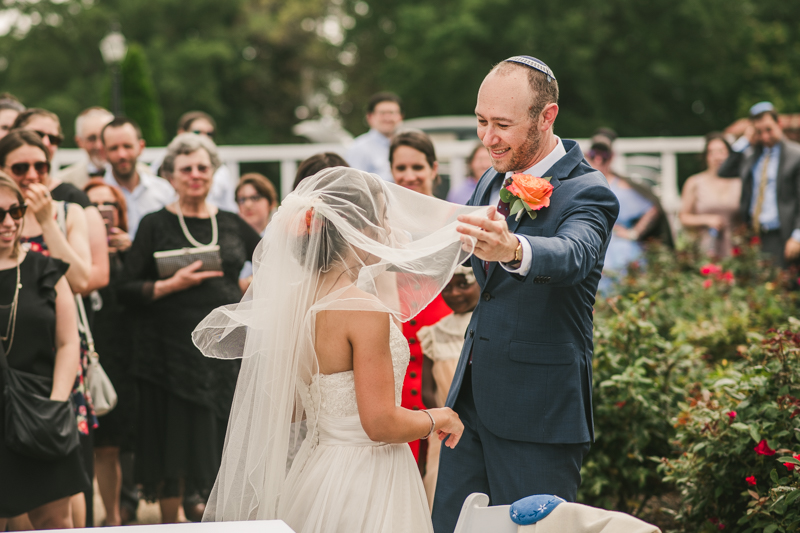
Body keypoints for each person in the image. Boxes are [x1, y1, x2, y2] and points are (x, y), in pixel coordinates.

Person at [194, 167, 482, 531]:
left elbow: (294, 409)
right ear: (356, 232)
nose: (390, 231)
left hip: (318, 470)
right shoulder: (364, 310)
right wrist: (440, 417)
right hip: (369, 477)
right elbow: (380, 423)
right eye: (382, 221)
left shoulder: (294, 304)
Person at [432, 56, 619, 533]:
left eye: (502, 125)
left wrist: (514, 248)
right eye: (480, 122)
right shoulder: (492, 178)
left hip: (539, 413)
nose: (487, 138)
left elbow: (573, 254)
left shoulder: (588, 191)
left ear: (546, 116)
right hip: (470, 407)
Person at [118, 133, 261, 524]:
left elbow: (273, 257)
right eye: (186, 169)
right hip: (167, 356)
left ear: (214, 172)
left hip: (220, 357)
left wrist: (250, 291)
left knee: (218, 444)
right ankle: (170, 526)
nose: (195, 175)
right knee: (171, 450)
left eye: (203, 168)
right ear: (170, 175)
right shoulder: (153, 223)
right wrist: (168, 285)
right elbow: (125, 289)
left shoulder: (231, 222)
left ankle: (217, 523)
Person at [0, 129, 99, 527]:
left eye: (14, 212)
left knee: (55, 523)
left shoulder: (43, 268)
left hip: (42, 405)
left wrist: (57, 402)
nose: (8, 222)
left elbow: (66, 342)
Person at [390, 130, 454, 465]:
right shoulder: (381, 223)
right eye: (400, 168)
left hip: (443, 336)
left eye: (417, 166)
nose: (409, 175)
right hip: (395, 336)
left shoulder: (453, 219)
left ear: (434, 168)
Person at [83, 178, 138, 526]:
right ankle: (86, 518)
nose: (103, 213)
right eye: (94, 206)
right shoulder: (73, 252)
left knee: (111, 446)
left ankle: (114, 518)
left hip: (121, 358)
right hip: (84, 354)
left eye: (109, 205)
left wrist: (132, 252)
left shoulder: (131, 252)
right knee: (85, 447)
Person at [417, 266, 481, 509]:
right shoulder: (434, 333)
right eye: (447, 287)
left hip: (483, 426)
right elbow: (428, 390)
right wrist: (445, 419)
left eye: (463, 284)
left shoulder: (488, 327)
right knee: (439, 490)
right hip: (446, 430)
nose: (454, 293)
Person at [718, 101, 800, 267]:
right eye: (759, 131)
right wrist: (745, 139)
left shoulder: (795, 156)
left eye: (769, 129)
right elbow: (724, 171)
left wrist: (797, 237)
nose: (765, 136)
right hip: (755, 236)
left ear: (779, 124)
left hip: (784, 235)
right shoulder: (751, 155)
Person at [586, 129, 669, 292]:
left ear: (612, 157)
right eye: (594, 153)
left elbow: (653, 207)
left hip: (618, 249)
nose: (598, 159)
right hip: (590, 242)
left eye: (604, 154)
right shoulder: (581, 181)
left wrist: (634, 233)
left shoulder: (623, 185)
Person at [101, 117, 176, 238]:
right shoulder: (97, 195)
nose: (122, 154)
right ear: (103, 153)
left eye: (127, 146)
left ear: (141, 147)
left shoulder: (163, 190)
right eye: (114, 148)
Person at [152, 111, 238, 212]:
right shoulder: (162, 163)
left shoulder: (222, 171)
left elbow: (229, 205)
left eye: (209, 133)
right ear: (181, 133)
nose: (204, 137)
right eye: (197, 132)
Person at [680, 133, 741, 257]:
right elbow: (683, 216)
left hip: (735, 250)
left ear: (729, 154)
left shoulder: (739, 183)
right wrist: (706, 219)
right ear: (706, 156)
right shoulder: (694, 182)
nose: (717, 157)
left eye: (721, 151)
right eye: (712, 152)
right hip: (705, 249)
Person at [346, 92, 403, 181]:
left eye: (392, 113)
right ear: (370, 117)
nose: (388, 118)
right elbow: (353, 185)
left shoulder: (406, 145)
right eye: (382, 113)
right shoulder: (359, 148)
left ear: (400, 117)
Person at [55, 107, 115, 190]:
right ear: (79, 142)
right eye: (91, 138)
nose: (99, 145)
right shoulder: (63, 180)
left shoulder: (137, 176)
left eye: (103, 137)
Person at [235, 173, 277, 292]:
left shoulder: (280, 238)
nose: (247, 205)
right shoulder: (232, 239)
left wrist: (248, 282)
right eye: (242, 200)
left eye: (255, 198)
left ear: (271, 203)